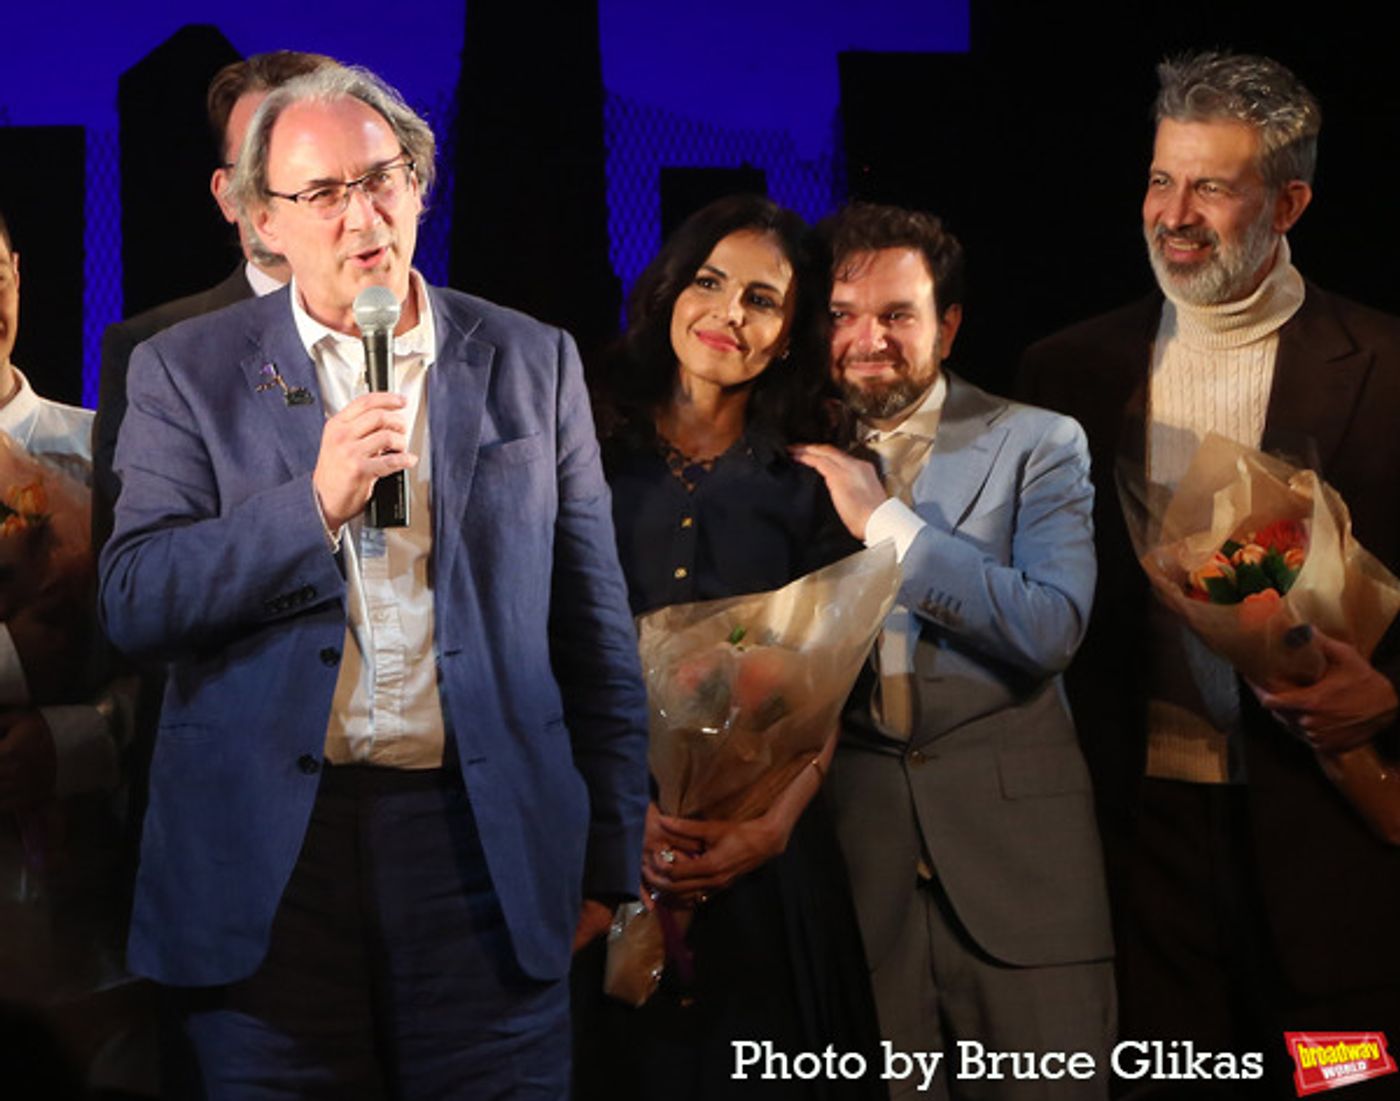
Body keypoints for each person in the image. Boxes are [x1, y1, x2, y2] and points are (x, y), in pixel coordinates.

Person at [98, 63, 649, 1097]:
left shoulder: (532, 360)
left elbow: (594, 631)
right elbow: (136, 598)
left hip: (481, 848)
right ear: (264, 222)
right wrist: (310, 505)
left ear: (419, 186)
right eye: (321, 194)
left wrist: (610, 859)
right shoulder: (184, 368)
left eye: (381, 179)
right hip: (273, 866)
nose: (362, 215)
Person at [1018, 51, 1400, 1096]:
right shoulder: (1065, 373)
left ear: (1288, 202)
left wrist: (1389, 695)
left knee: (1346, 1089)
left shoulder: (1386, 366)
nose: (1172, 215)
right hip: (1137, 861)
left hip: (1333, 865)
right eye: (1158, 179)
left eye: (1210, 187)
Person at [794, 203, 1114, 1100]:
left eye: (898, 315)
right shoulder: (784, 461)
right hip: (860, 882)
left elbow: (1051, 625)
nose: (868, 339)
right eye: (844, 313)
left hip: (1026, 880)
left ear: (950, 324)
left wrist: (888, 523)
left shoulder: (1040, 443)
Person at [576, 194, 884, 1099]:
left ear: (788, 335)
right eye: (708, 282)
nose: (727, 313)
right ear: (669, 290)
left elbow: (833, 682)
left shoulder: (817, 474)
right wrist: (617, 819)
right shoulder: (584, 452)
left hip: (763, 865)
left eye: (761, 299)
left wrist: (769, 825)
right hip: (601, 853)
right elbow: (545, 654)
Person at [0, 208, 149, 1094]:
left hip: (80, 883)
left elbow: (169, 655)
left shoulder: (106, 452)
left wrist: (79, 737)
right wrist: (18, 662)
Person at [93, 49, 336, 551]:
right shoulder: (153, 352)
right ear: (227, 194)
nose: (279, 186)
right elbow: (136, 590)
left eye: (305, 162)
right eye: (258, 160)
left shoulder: (423, 333)